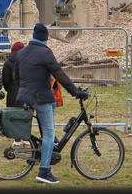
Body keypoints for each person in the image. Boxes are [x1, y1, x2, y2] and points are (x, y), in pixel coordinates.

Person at [16, 23, 90, 184]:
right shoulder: (45, 53)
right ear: (46, 38)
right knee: (49, 132)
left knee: (52, 106)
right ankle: (44, 171)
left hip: (26, 96)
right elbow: (59, 74)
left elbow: (16, 75)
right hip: (39, 96)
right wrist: (75, 92)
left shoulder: (21, 53)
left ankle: (49, 145)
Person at [2, 41, 25, 113]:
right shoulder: (26, 62)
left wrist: (8, 89)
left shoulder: (7, 63)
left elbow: (5, 80)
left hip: (12, 93)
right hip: (24, 92)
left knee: (12, 116)